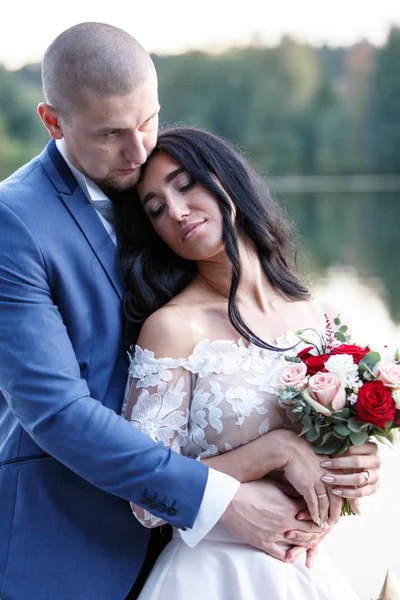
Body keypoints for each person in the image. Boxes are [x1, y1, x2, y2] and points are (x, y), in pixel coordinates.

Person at [0, 22, 346, 600]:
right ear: (53, 122)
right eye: (111, 133)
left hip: (202, 555)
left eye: (146, 121)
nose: (137, 151)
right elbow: (55, 411)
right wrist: (226, 500)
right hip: (66, 549)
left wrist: (345, 457)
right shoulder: (15, 221)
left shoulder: (165, 194)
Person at [116, 126, 382, 599]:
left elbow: (336, 455)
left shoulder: (323, 321)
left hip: (305, 574)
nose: (176, 212)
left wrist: (357, 470)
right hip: (212, 576)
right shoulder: (174, 327)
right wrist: (272, 450)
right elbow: (145, 500)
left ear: (226, 178)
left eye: (185, 184)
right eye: (156, 208)